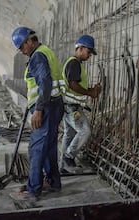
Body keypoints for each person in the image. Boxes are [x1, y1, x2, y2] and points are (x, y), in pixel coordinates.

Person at [9, 27, 64, 201]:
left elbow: (45, 83)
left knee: (37, 148)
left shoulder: (38, 56)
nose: (22, 51)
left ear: (29, 41)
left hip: (46, 107)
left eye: (22, 47)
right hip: (55, 105)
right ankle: (53, 182)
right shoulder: (45, 51)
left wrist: (38, 109)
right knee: (49, 147)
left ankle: (33, 189)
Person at [60, 35, 101, 173]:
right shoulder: (74, 63)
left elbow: (75, 85)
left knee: (69, 134)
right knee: (85, 131)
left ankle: (63, 165)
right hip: (72, 108)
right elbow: (73, 85)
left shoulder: (73, 63)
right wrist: (90, 93)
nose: (89, 55)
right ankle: (68, 157)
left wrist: (91, 90)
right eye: (88, 52)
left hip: (67, 106)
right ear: (80, 48)